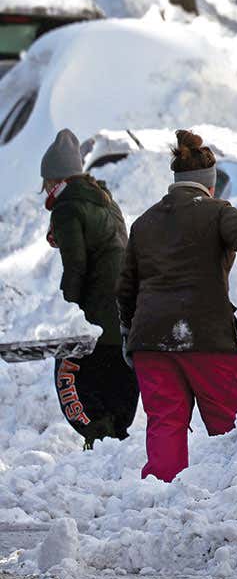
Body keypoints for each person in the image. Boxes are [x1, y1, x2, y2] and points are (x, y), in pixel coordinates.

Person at [116, 130, 237, 482]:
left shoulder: (144, 222)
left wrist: (128, 330)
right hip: (206, 337)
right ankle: (235, 489)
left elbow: (126, 287)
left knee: (165, 422)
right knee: (228, 422)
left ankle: (161, 494)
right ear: (209, 184)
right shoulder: (217, 212)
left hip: (152, 340)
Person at [40, 128, 139, 449]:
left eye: (46, 182)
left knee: (69, 371)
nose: (44, 189)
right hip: (127, 313)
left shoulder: (67, 207)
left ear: (56, 180)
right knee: (117, 377)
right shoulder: (106, 203)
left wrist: (67, 312)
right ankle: (115, 443)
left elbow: (77, 266)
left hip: (96, 316)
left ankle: (97, 436)